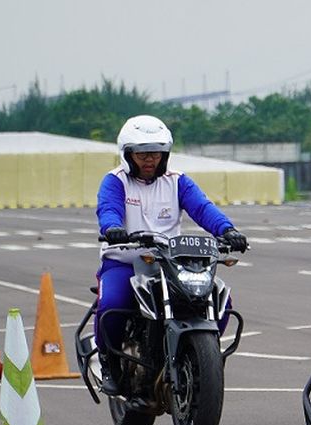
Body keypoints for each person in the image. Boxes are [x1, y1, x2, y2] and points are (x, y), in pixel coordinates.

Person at [95, 114, 249, 395]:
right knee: (112, 304)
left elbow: (203, 209)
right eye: (142, 154)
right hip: (125, 261)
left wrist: (228, 230)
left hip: (169, 262)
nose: (149, 159)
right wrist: (113, 227)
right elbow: (108, 209)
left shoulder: (178, 181)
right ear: (128, 155)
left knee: (220, 302)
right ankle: (109, 362)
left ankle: (199, 356)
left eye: (155, 153)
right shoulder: (115, 181)